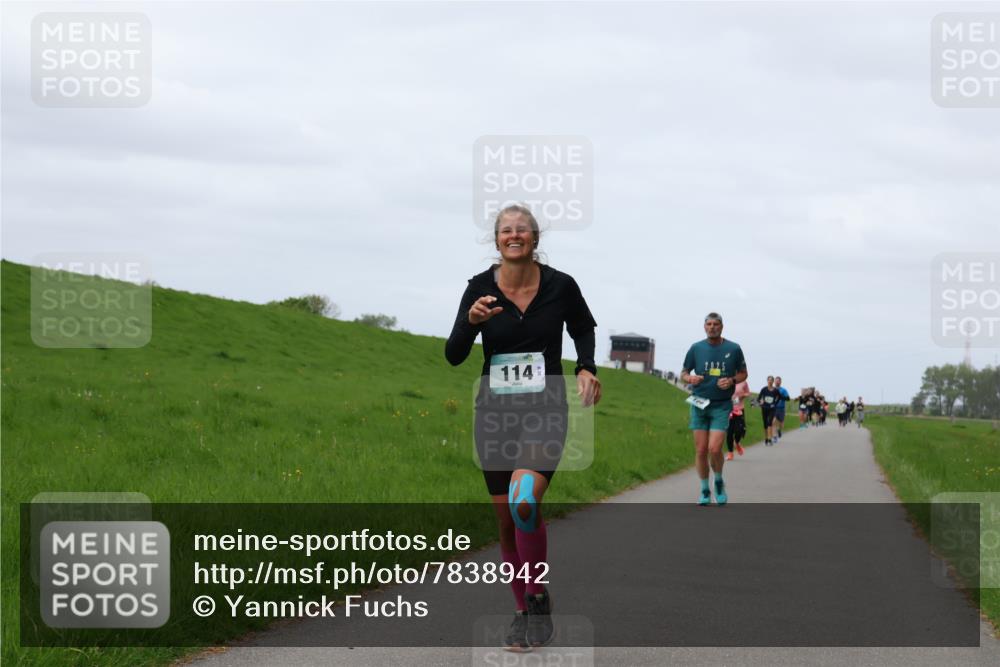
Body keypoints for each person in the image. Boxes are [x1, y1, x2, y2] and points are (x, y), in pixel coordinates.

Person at [445, 204, 600, 652]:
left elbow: (582, 328)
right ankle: (520, 610)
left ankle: (537, 599)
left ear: (535, 237)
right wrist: (471, 323)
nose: (514, 236)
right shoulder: (479, 289)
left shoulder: (561, 286)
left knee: (524, 500)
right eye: (506, 230)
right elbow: (454, 354)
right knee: (507, 525)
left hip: (546, 408)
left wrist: (586, 367)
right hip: (494, 415)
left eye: (523, 230)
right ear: (496, 241)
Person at [681, 313, 748, 506]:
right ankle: (704, 489)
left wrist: (732, 380)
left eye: (716, 324)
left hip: (721, 404)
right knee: (701, 450)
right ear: (704, 327)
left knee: (715, 448)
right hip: (699, 402)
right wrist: (690, 378)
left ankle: (718, 481)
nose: (712, 327)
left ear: (722, 327)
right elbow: (684, 372)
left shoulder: (733, 349)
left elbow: (744, 373)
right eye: (709, 324)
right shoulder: (696, 348)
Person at [726, 379, 750, 460]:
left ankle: (737, 443)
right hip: (728, 409)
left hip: (739, 409)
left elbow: (748, 393)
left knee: (740, 430)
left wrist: (743, 396)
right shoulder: (726, 380)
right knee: (729, 432)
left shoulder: (743, 382)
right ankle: (730, 453)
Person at [757, 376, 781, 445]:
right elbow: (759, 398)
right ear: (767, 381)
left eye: (771, 380)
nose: (770, 381)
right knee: (765, 424)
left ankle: (770, 439)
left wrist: (775, 404)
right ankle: (766, 438)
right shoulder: (764, 389)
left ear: (773, 382)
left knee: (769, 422)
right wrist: (761, 402)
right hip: (764, 408)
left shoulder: (775, 390)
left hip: (772, 409)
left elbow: (779, 397)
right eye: (769, 380)